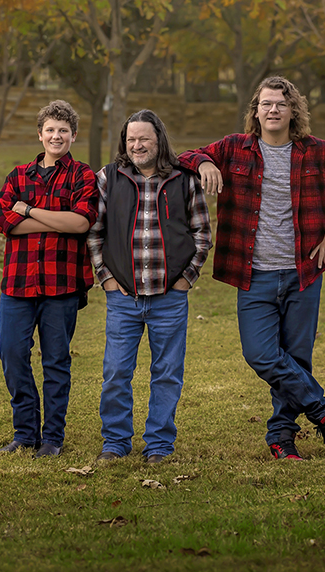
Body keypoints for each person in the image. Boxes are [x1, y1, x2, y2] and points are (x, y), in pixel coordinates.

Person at [178, 76, 325, 460]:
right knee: (262, 355)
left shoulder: (316, 152)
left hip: (303, 272)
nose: (273, 110)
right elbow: (182, 157)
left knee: (296, 358)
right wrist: (204, 161)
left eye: (281, 105)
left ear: (293, 112)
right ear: (256, 111)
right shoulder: (234, 148)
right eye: (266, 104)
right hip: (253, 275)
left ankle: (282, 437)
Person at [87, 109, 212, 464]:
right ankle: (115, 442)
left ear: (159, 141)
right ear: (124, 143)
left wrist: (186, 280)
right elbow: (94, 233)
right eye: (131, 139)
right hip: (123, 298)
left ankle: (158, 445)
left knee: (167, 375)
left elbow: (203, 235)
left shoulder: (184, 180)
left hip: (169, 299)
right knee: (115, 373)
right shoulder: (108, 178)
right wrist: (106, 278)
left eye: (144, 139)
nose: (137, 145)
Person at [0, 100, 98, 459]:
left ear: (73, 136)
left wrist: (29, 211)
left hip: (62, 285)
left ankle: (52, 437)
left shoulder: (82, 176)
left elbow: (81, 223)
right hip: (18, 284)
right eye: (50, 130)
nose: (56, 136)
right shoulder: (18, 176)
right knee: (12, 354)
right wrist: (57, 218)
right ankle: (25, 433)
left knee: (56, 361)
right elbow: (2, 221)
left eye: (63, 131)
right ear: (40, 134)